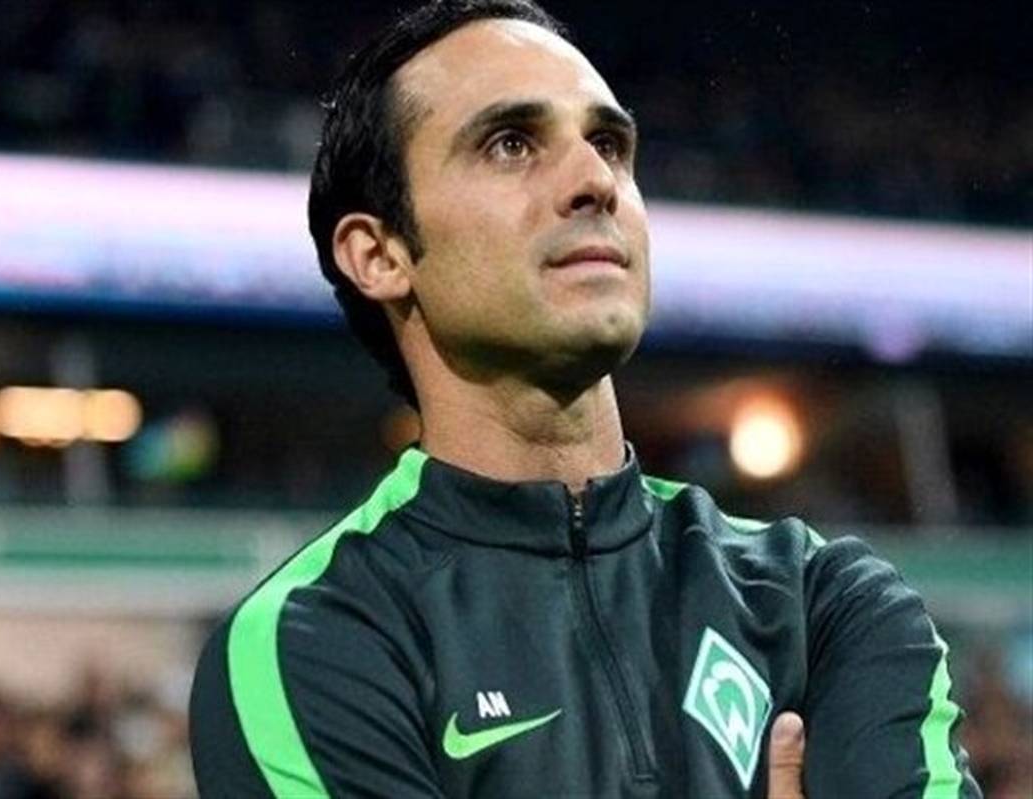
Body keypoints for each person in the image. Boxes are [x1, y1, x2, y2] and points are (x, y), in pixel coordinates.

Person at [189, 1, 980, 796]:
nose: (595, 181)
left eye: (607, 144)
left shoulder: (825, 603)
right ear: (380, 254)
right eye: (510, 143)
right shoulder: (314, 637)